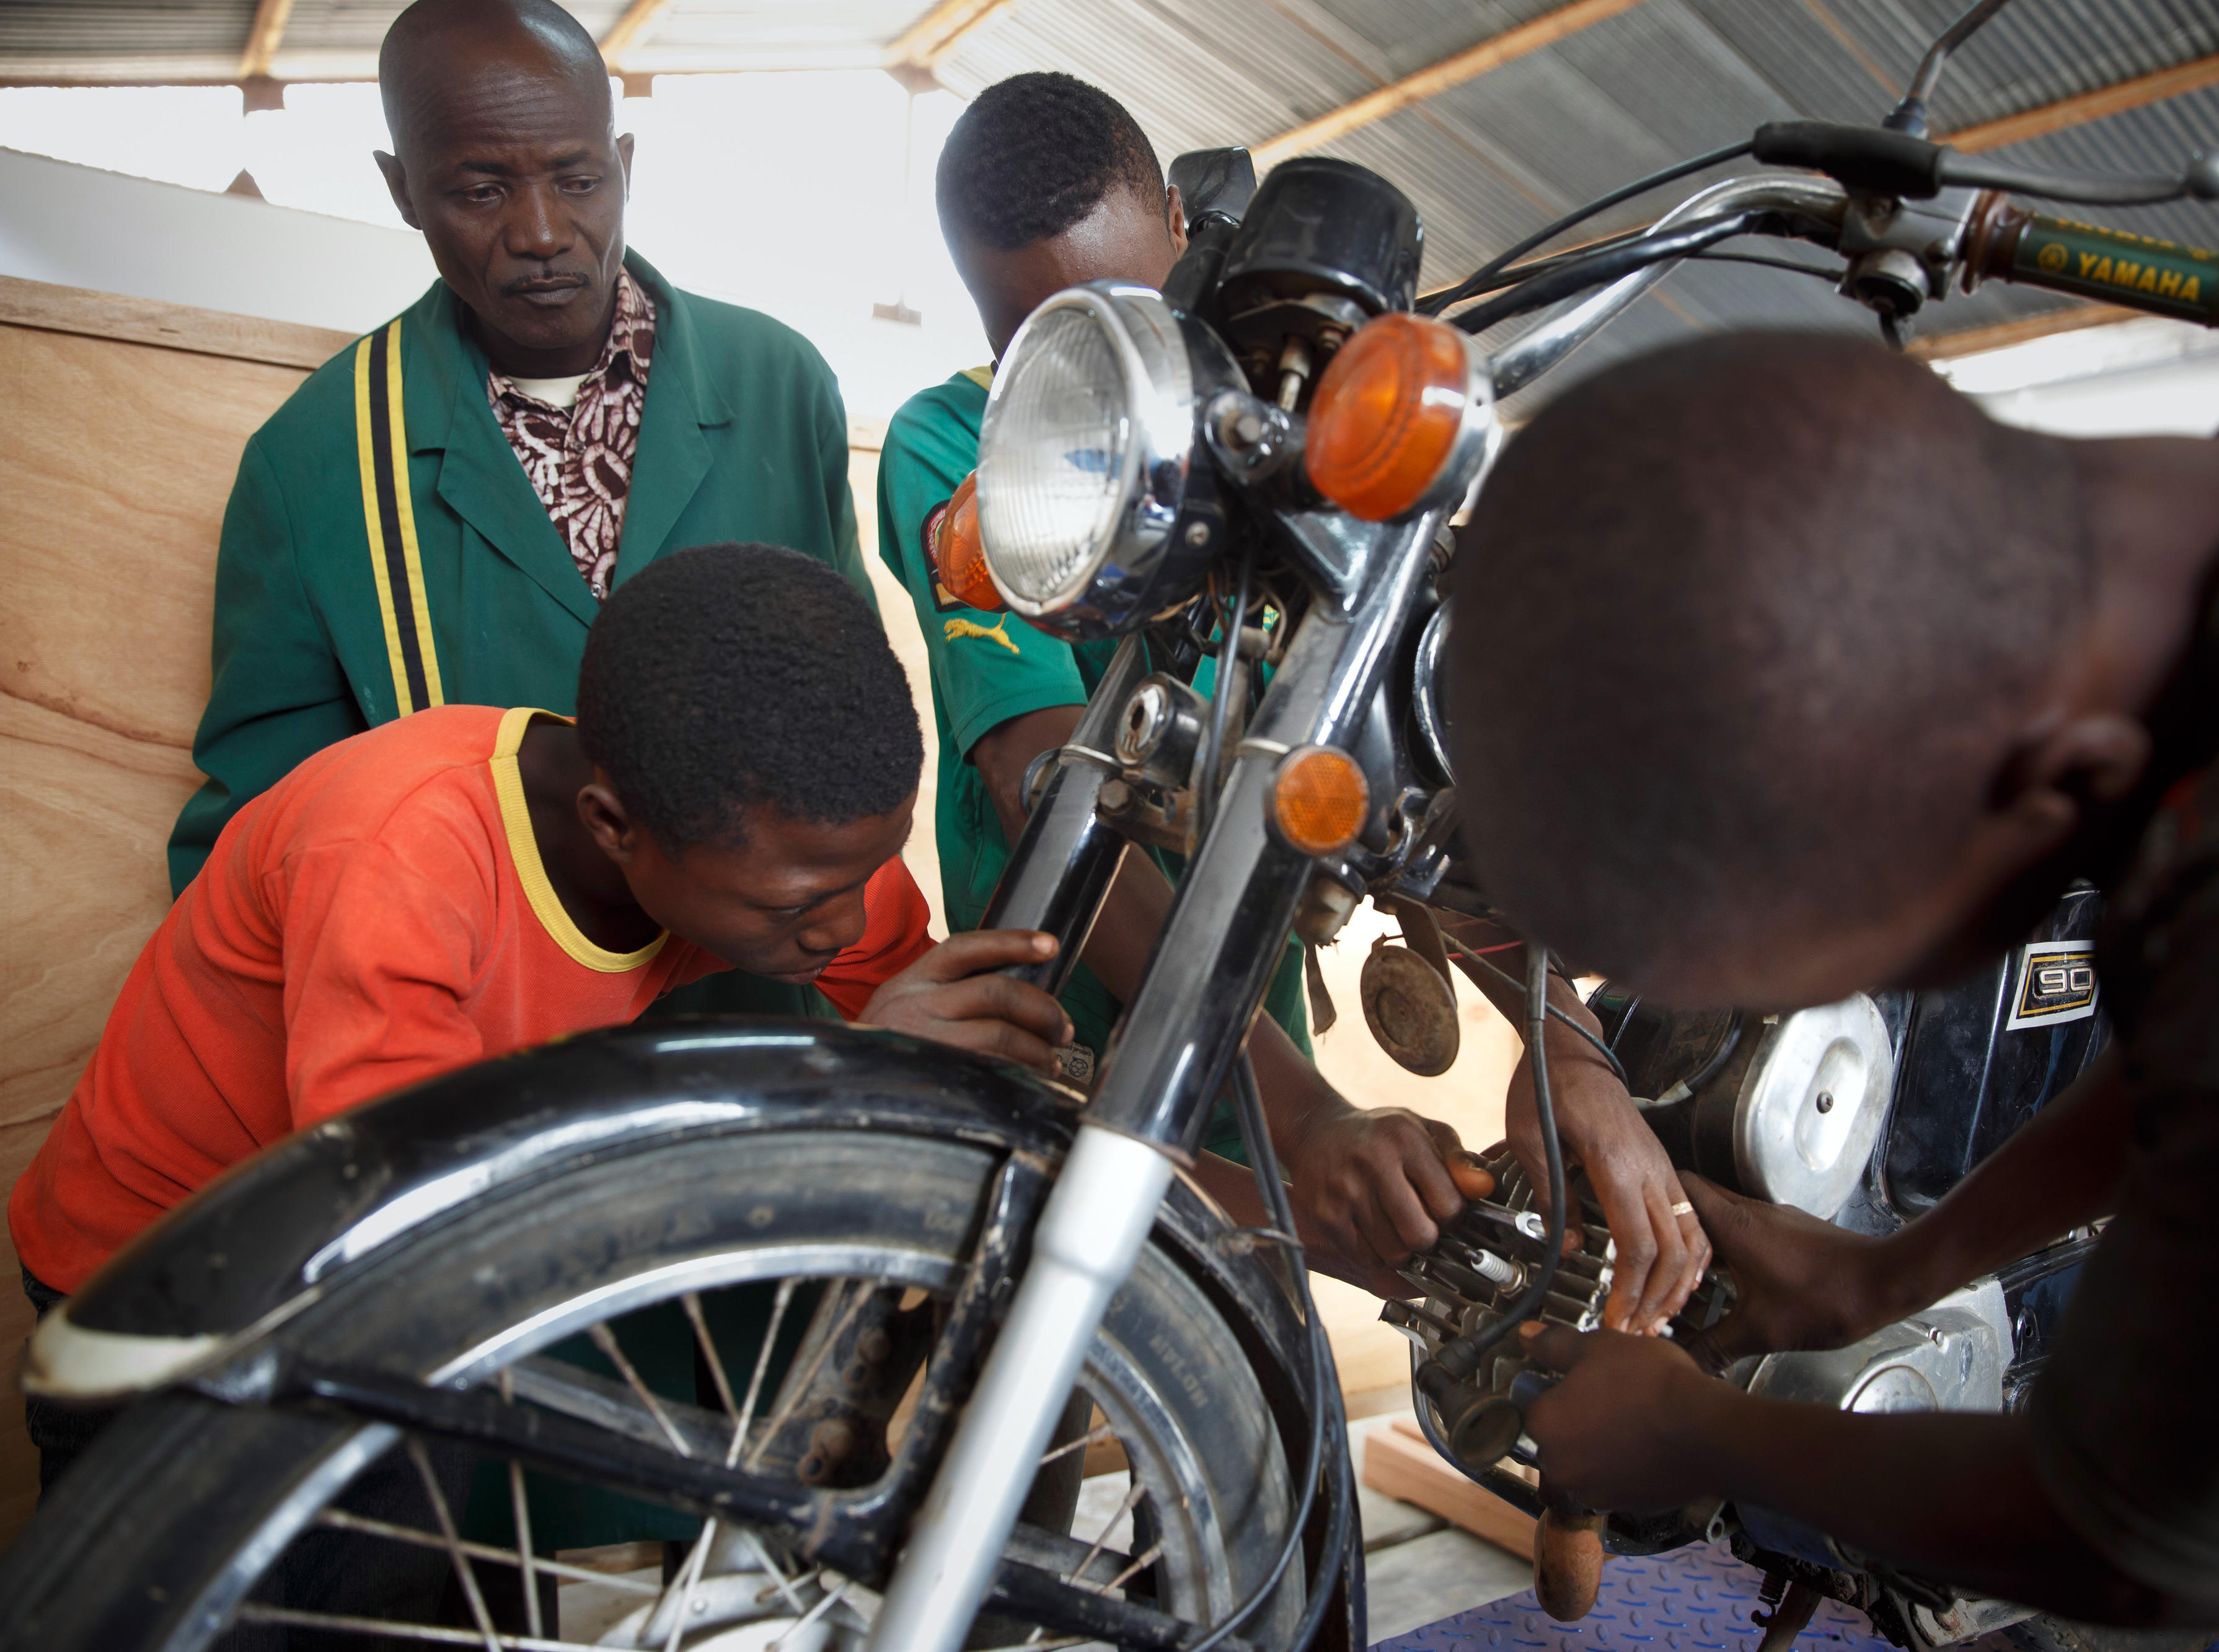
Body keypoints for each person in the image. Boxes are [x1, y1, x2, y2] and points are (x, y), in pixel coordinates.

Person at [1445, 331, 2219, 1627]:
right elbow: (2218, 1034)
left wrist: (1698, 1434)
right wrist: (1885, 1274)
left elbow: (2142, 1545)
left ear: (2057, 785)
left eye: (1893, 953)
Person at [11, 542, 1069, 1492]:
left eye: (871, 871)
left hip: (384, 1262)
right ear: (616, 829)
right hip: (170, 1275)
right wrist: (844, 1088)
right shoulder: (401, 854)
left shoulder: (790, 853)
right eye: (800, 906)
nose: (841, 926)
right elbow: (419, 1219)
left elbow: (901, 981)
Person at [878, 72, 1481, 1290]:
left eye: (1130, 312)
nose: (1114, 380)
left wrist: (1565, 1061)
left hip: (1243, 1015)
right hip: (1049, 1005)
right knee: (1012, 1367)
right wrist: (1306, 1114)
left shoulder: (1294, 438)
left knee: (1247, 1376)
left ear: (1183, 224)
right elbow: (1043, 776)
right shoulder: (956, 448)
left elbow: (1396, 725)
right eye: (1037, 345)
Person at [170, 0, 868, 1019]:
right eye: (479, 189)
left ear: (625, 162)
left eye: (579, 179)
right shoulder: (315, 462)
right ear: (403, 190)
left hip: (758, 1020)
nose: (541, 233)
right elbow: (263, 840)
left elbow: (850, 723)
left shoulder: (779, 383)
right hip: (488, 1047)